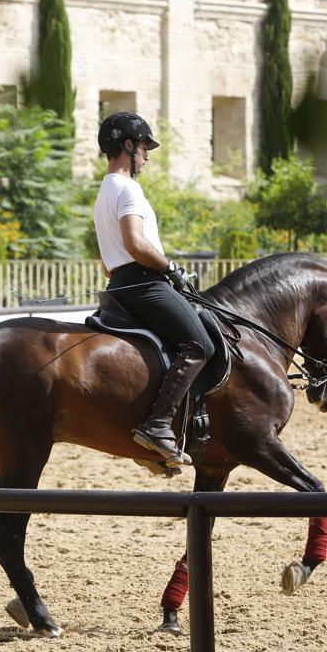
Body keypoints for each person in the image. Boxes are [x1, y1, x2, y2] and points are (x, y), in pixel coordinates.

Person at [93, 112, 214, 468]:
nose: (146, 156)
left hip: (120, 282)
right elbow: (135, 243)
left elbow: (106, 260)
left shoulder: (104, 191)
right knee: (199, 344)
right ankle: (159, 425)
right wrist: (170, 267)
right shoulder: (128, 188)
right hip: (143, 282)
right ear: (128, 146)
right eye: (144, 147)